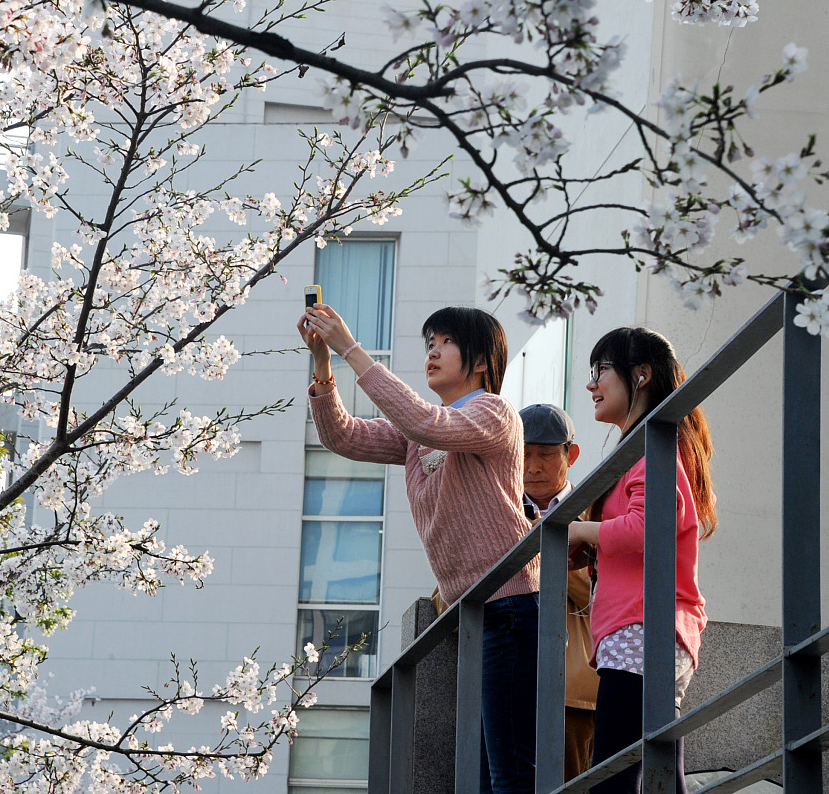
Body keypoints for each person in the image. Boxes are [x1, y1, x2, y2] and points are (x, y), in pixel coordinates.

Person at [298, 303, 538, 794]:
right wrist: (324, 364)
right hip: (470, 610)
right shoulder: (421, 435)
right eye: (431, 341)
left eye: (446, 342)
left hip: (510, 602)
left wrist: (351, 348)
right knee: (480, 769)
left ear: (481, 362)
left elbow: (426, 423)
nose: (433, 350)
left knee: (507, 769)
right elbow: (343, 436)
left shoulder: (493, 412)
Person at [568, 327, 716, 794]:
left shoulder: (653, 449)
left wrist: (579, 530)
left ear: (642, 375)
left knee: (614, 776)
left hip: (642, 627)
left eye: (601, 371)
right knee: (652, 772)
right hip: (639, 628)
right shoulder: (644, 450)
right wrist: (584, 542)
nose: (592, 384)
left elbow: (648, 526)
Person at [519, 403, 600, 787]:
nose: (532, 466)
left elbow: (604, 588)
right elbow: (447, 595)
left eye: (546, 454)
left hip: (573, 691)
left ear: (572, 454)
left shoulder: (596, 509)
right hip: (506, 682)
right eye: (523, 453)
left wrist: (541, 551)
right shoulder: (496, 511)